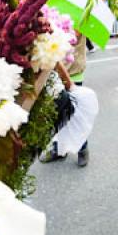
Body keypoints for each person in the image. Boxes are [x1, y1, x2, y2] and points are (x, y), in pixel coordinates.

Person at [40, 30, 92, 167]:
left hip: (73, 73)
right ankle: (59, 150)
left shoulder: (78, 15)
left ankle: (82, 149)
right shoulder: (57, 10)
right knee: (57, 114)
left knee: (75, 116)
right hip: (54, 73)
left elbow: (71, 38)